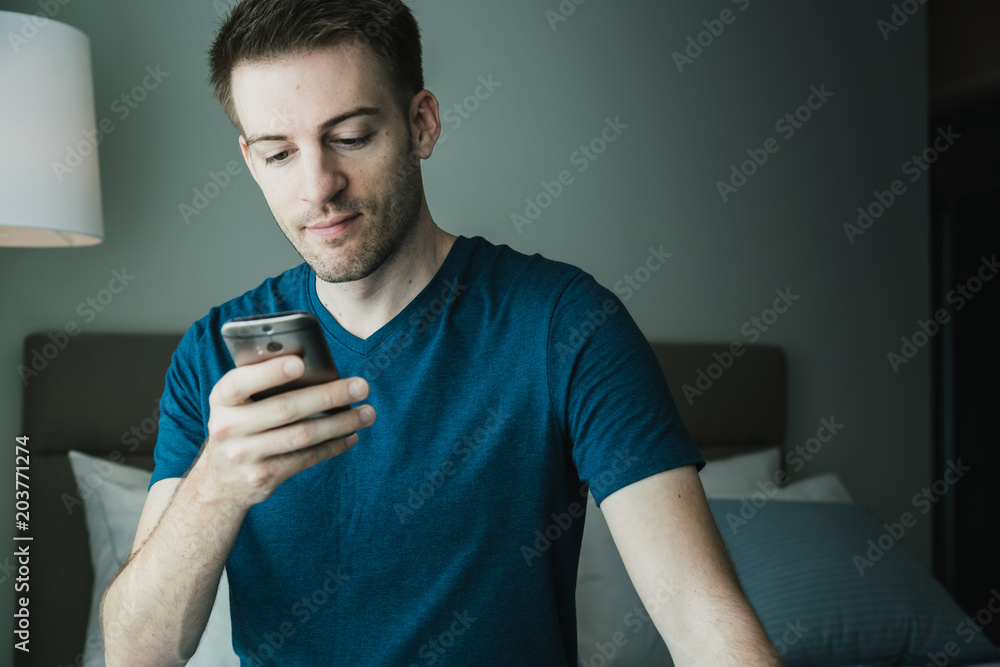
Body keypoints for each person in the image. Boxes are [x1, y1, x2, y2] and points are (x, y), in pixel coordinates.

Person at [100, 0, 783, 664]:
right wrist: (217, 482)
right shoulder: (211, 352)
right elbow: (136, 652)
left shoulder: (566, 324)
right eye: (280, 154)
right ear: (251, 160)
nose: (318, 187)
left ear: (421, 124)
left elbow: (701, 616)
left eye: (351, 137)